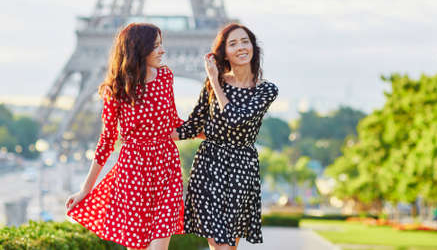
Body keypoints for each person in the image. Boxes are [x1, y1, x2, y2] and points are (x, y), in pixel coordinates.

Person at [65, 23, 184, 250]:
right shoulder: (116, 89)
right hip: (133, 174)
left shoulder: (166, 77)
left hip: (166, 169)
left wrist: (213, 132)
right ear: (139, 49)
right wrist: (85, 190)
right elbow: (107, 140)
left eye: (162, 45)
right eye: (156, 46)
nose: (162, 51)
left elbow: (173, 122)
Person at [171, 23, 279, 249]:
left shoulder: (266, 90)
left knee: (227, 245)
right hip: (209, 165)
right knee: (219, 244)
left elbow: (236, 119)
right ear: (224, 53)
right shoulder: (213, 84)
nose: (240, 47)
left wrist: (215, 81)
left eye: (245, 41)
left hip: (241, 167)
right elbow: (193, 125)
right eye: (233, 43)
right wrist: (152, 132)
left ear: (253, 47)